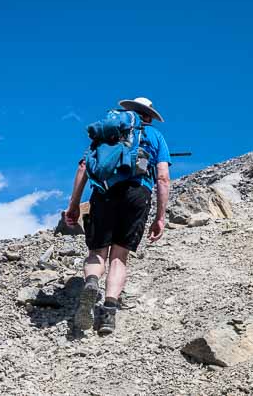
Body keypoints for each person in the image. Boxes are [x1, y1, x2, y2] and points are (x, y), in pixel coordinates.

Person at [65, 96, 171, 335]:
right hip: (137, 194)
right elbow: (163, 178)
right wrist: (160, 216)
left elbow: (84, 167)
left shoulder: (107, 133)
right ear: (148, 115)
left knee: (97, 253)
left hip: (104, 193)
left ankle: (91, 282)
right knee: (119, 257)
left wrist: (73, 206)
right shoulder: (155, 137)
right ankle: (108, 313)